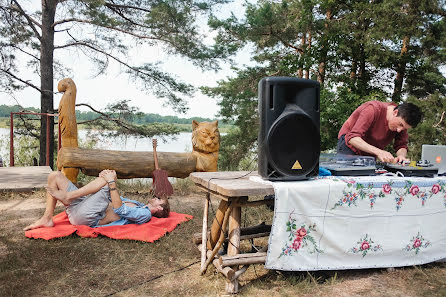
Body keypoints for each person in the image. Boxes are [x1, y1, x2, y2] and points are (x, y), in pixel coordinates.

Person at [24, 169, 170, 231]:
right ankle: (47, 218)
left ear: (159, 209)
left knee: (110, 178)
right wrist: (103, 177)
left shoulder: (144, 215)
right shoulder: (138, 204)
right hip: (82, 205)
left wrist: (110, 181)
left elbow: (119, 209)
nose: (154, 197)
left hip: (88, 217)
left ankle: (68, 197)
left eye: (158, 199)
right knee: (54, 176)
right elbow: (109, 196)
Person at [337, 101, 422, 163]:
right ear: (395, 112)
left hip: (370, 151)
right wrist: (379, 152)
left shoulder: (403, 120)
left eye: (404, 128)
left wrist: (401, 156)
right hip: (349, 146)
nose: (399, 130)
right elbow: (352, 138)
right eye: (400, 125)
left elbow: (401, 145)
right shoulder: (372, 109)